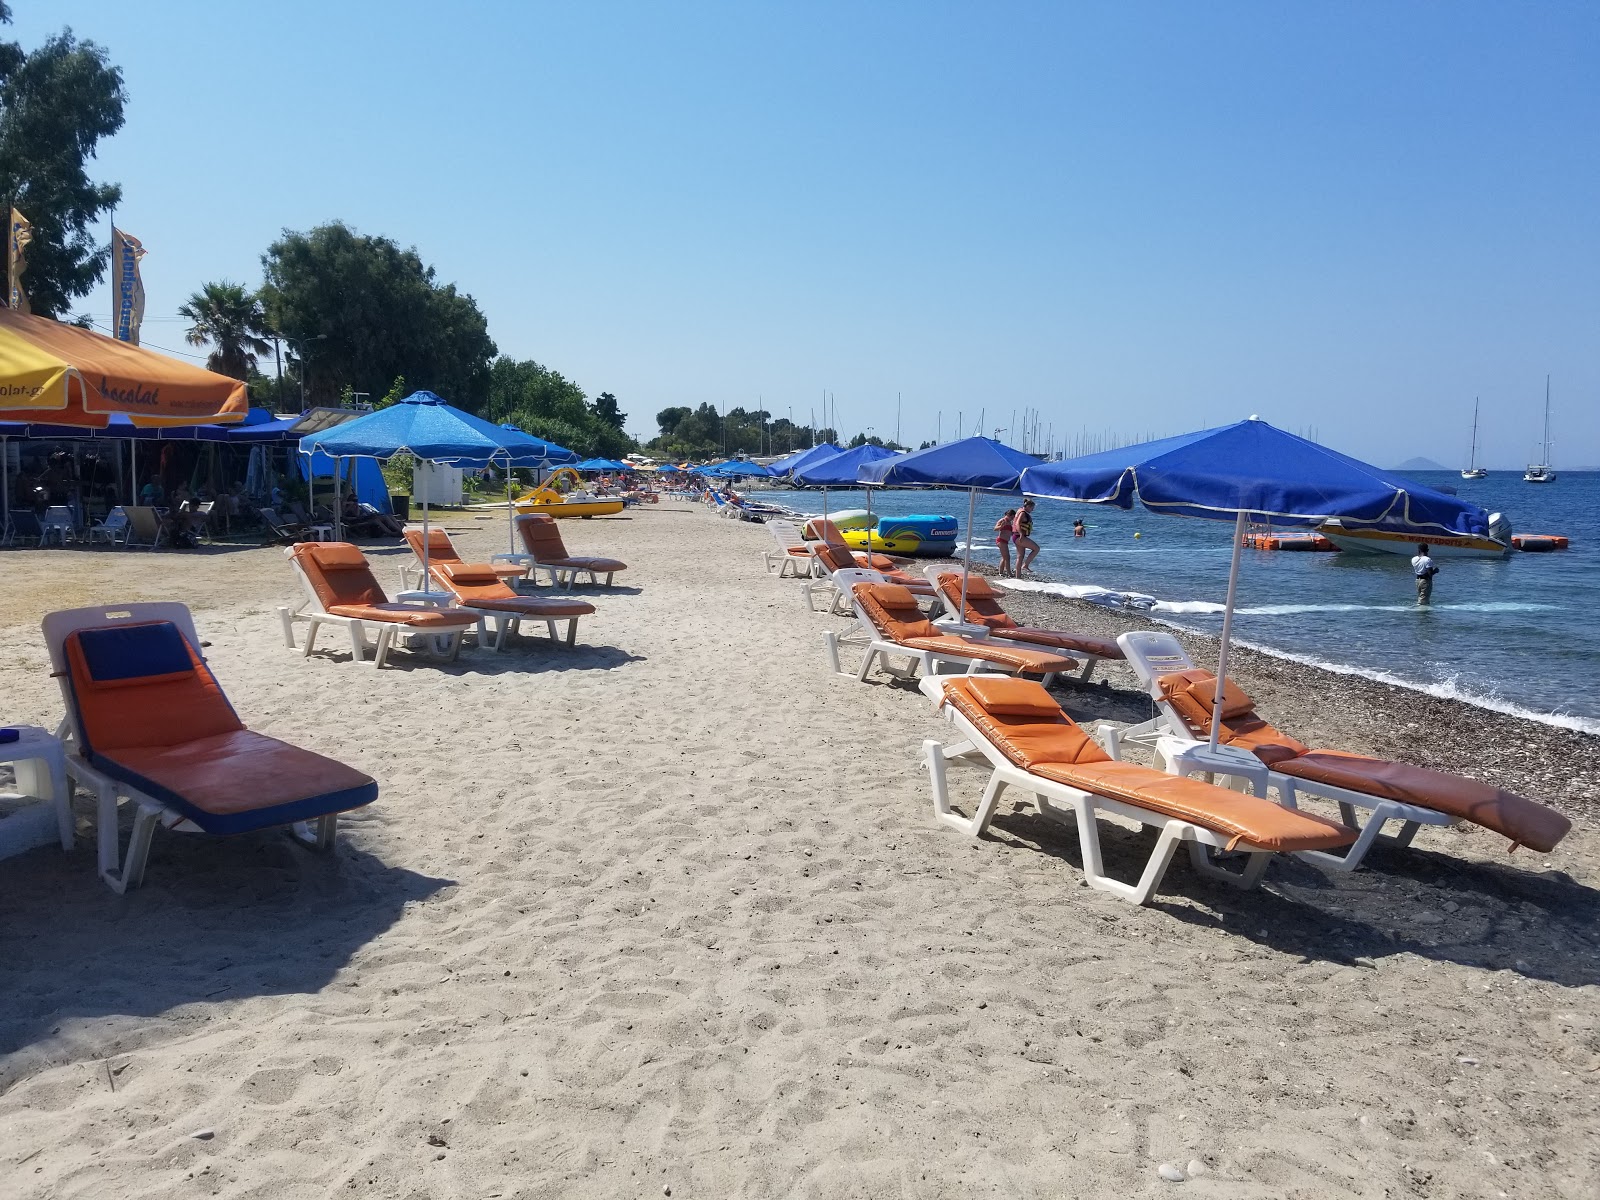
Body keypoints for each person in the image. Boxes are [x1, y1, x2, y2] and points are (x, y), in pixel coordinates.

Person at [1012, 499, 1040, 575]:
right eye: (1032, 508)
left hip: (1015, 536)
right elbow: (1017, 523)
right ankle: (1025, 565)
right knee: (1036, 548)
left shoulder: (1019, 510)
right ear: (1028, 506)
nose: (1033, 510)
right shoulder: (1023, 513)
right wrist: (1021, 534)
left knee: (1020, 556)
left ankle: (1018, 576)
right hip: (1019, 536)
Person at [993, 509, 1016, 576]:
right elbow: (995, 529)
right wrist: (1001, 526)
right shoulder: (1002, 520)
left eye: (1013, 518)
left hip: (1005, 541)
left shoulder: (1010, 522)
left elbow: (1010, 532)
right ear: (1008, 515)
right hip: (1001, 540)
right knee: (1007, 557)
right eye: (1011, 517)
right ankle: (1009, 573)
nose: (1012, 519)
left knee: (1004, 557)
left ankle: (1001, 572)